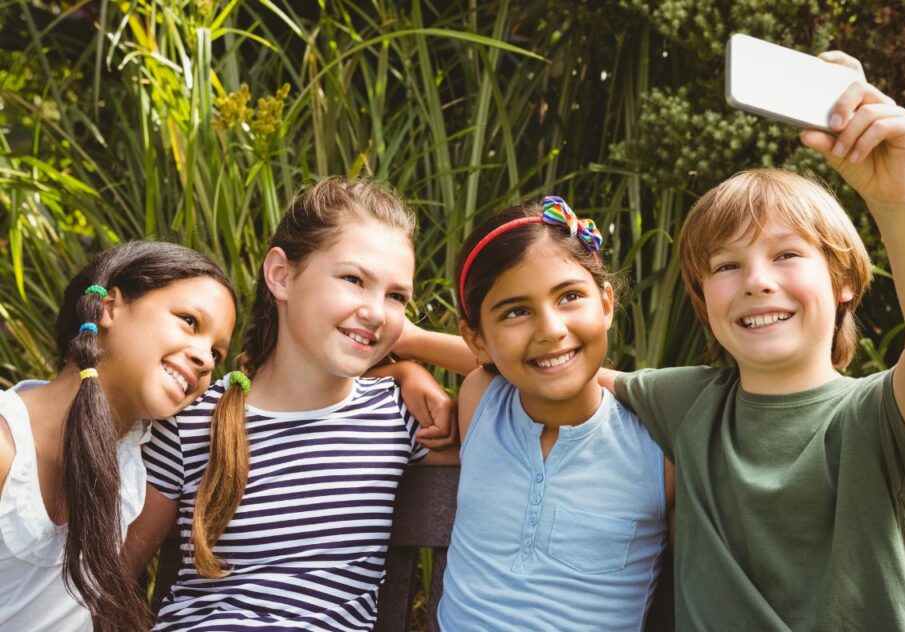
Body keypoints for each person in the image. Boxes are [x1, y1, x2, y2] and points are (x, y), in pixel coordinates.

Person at [609, 68, 905, 629]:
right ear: (705, 304)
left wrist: (899, 199)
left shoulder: (878, 417)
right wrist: (417, 354)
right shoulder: (688, 400)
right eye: (727, 266)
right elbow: (565, 371)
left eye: (786, 255)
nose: (756, 280)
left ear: (843, 281)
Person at [125, 177, 457, 631]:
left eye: (396, 296)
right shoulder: (192, 422)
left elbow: (532, 373)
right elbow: (112, 580)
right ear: (281, 275)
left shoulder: (397, 416)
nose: (377, 310)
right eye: (354, 280)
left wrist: (410, 346)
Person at [417, 197, 675, 630]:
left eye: (570, 296)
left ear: (606, 304)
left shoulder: (658, 450)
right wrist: (406, 357)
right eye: (516, 311)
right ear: (476, 339)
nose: (551, 330)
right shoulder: (482, 400)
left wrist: (409, 343)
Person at [0, 242, 236, 632]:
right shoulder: (9, 445)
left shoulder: (143, 466)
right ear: (109, 308)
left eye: (217, 353)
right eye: (190, 321)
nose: (206, 359)